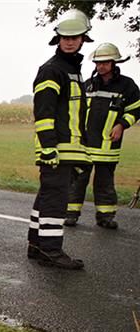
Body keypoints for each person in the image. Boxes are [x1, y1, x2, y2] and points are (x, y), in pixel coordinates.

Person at [27, 9, 92, 269]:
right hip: (56, 149)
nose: (69, 41)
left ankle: (36, 244)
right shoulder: (52, 70)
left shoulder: (72, 71)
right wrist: (49, 147)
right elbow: (44, 113)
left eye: (75, 37)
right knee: (56, 198)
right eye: (65, 37)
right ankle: (51, 251)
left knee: (46, 196)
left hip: (68, 148)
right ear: (58, 39)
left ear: (83, 39)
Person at [65, 42, 140, 230]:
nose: (101, 66)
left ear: (114, 63)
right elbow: (75, 110)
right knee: (77, 180)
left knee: (104, 183)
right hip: (85, 144)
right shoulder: (87, 85)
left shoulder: (127, 85)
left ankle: (105, 217)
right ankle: (71, 214)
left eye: (105, 63)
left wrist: (122, 125)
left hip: (108, 146)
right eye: (98, 63)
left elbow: (136, 109)